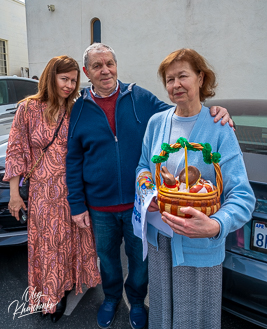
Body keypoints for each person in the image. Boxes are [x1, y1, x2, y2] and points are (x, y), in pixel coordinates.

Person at [66, 43, 233, 329]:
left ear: (116, 65)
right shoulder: (78, 108)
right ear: (86, 72)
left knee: (140, 260)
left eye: (110, 63)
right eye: (97, 66)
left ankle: (136, 301)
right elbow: (73, 159)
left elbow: (180, 113)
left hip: (140, 204)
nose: (105, 70)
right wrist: (77, 204)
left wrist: (214, 111)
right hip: (100, 205)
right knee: (107, 259)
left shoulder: (138, 97)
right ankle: (110, 298)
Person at [133, 48, 255, 329]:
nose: (176, 85)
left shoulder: (219, 127)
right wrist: (147, 192)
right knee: (162, 316)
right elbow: (142, 167)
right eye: (169, 78)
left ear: (200, 78)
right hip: (160, 243)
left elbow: (242, 196)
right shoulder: (156, 123)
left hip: (199, 246)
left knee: (195, 321)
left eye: (183, 76)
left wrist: (215, 226)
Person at [4, 56, 101, 323]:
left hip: (73, 190)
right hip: (43, 193)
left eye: (73, 80)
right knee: (48, 245)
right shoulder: (29, 108)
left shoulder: (77, 109)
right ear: (51, 77)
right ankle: (51, 296)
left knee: (71, 240)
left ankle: (67, 283)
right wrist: (14, 195)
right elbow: (16, 151)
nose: (69, 85)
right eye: (64, 79)